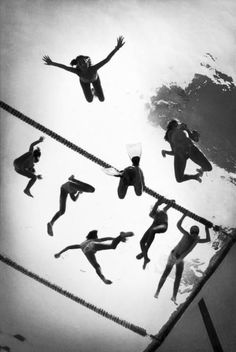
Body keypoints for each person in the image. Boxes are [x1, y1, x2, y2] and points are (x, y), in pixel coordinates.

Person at [42, 36, 125, 102]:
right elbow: (64, 67)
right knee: (89, 100)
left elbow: (107, 59)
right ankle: (93, 91)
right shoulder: (77, 72)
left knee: (102, 99)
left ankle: (95, 90)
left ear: (88, 63)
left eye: (83, 62)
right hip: (84, 83)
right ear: (78, 66)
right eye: (80, 64)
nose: (82, 64)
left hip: (95, 80)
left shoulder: (94, 68)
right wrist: (52, 63)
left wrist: (116, 48)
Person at [154, 212, 211, 304]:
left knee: (178, 277)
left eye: (195, 232)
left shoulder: (196, 240)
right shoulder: (187, 234)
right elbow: (178, 225)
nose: (194, 233)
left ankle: (174, 296)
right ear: (191, 232)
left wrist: (206, 228)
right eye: (193, 231)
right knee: (166, 273)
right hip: (173, 256)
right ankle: (158, 291)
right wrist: (184, 215)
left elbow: (208, 239)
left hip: (180, 258)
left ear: (196, 233)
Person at [54, 230, 134, 284]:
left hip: (87, 251)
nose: (97, 238)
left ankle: (104, 279)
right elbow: (105, 238)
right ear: (94, 237)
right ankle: (120, 236)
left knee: (97, 266)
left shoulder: (81, 244)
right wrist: (117, 238)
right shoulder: (93, 240)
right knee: (112, 246)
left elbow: (69, 247)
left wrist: (59, 253)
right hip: (92, 246)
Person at [136, 198, 175, 269]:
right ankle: (145, 258)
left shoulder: (163, 210)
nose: (154, 212)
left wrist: (167, 201)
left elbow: (172, 202)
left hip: (163, 226)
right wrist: (157, 203)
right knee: (141, 242)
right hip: (154, 227)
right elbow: (152, 212)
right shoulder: (152, 214)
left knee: (152, 230)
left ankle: (143, 254)